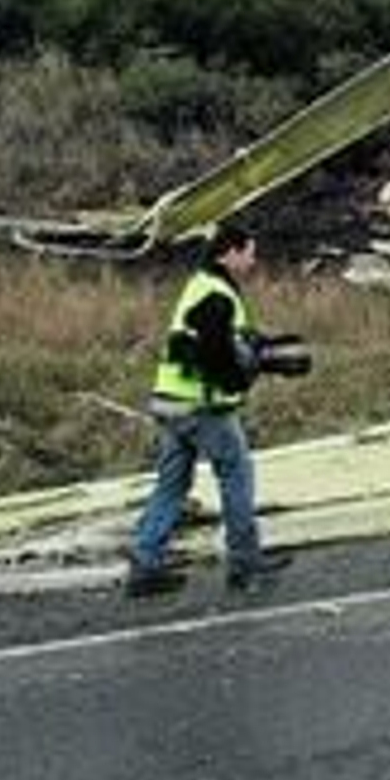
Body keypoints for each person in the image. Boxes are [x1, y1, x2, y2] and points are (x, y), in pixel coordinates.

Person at [126, 222, 293, 596]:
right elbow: (214, 352)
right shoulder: (218, 294)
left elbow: (206, 340)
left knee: (172, 485)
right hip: (203, 407)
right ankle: (245, 564)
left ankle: (145, 563)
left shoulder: (199, 285)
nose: (253, 260)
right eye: (250, 252)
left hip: (170, 402)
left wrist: (259, 347)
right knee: (236, 476)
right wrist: (247, 374)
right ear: (230, 253)